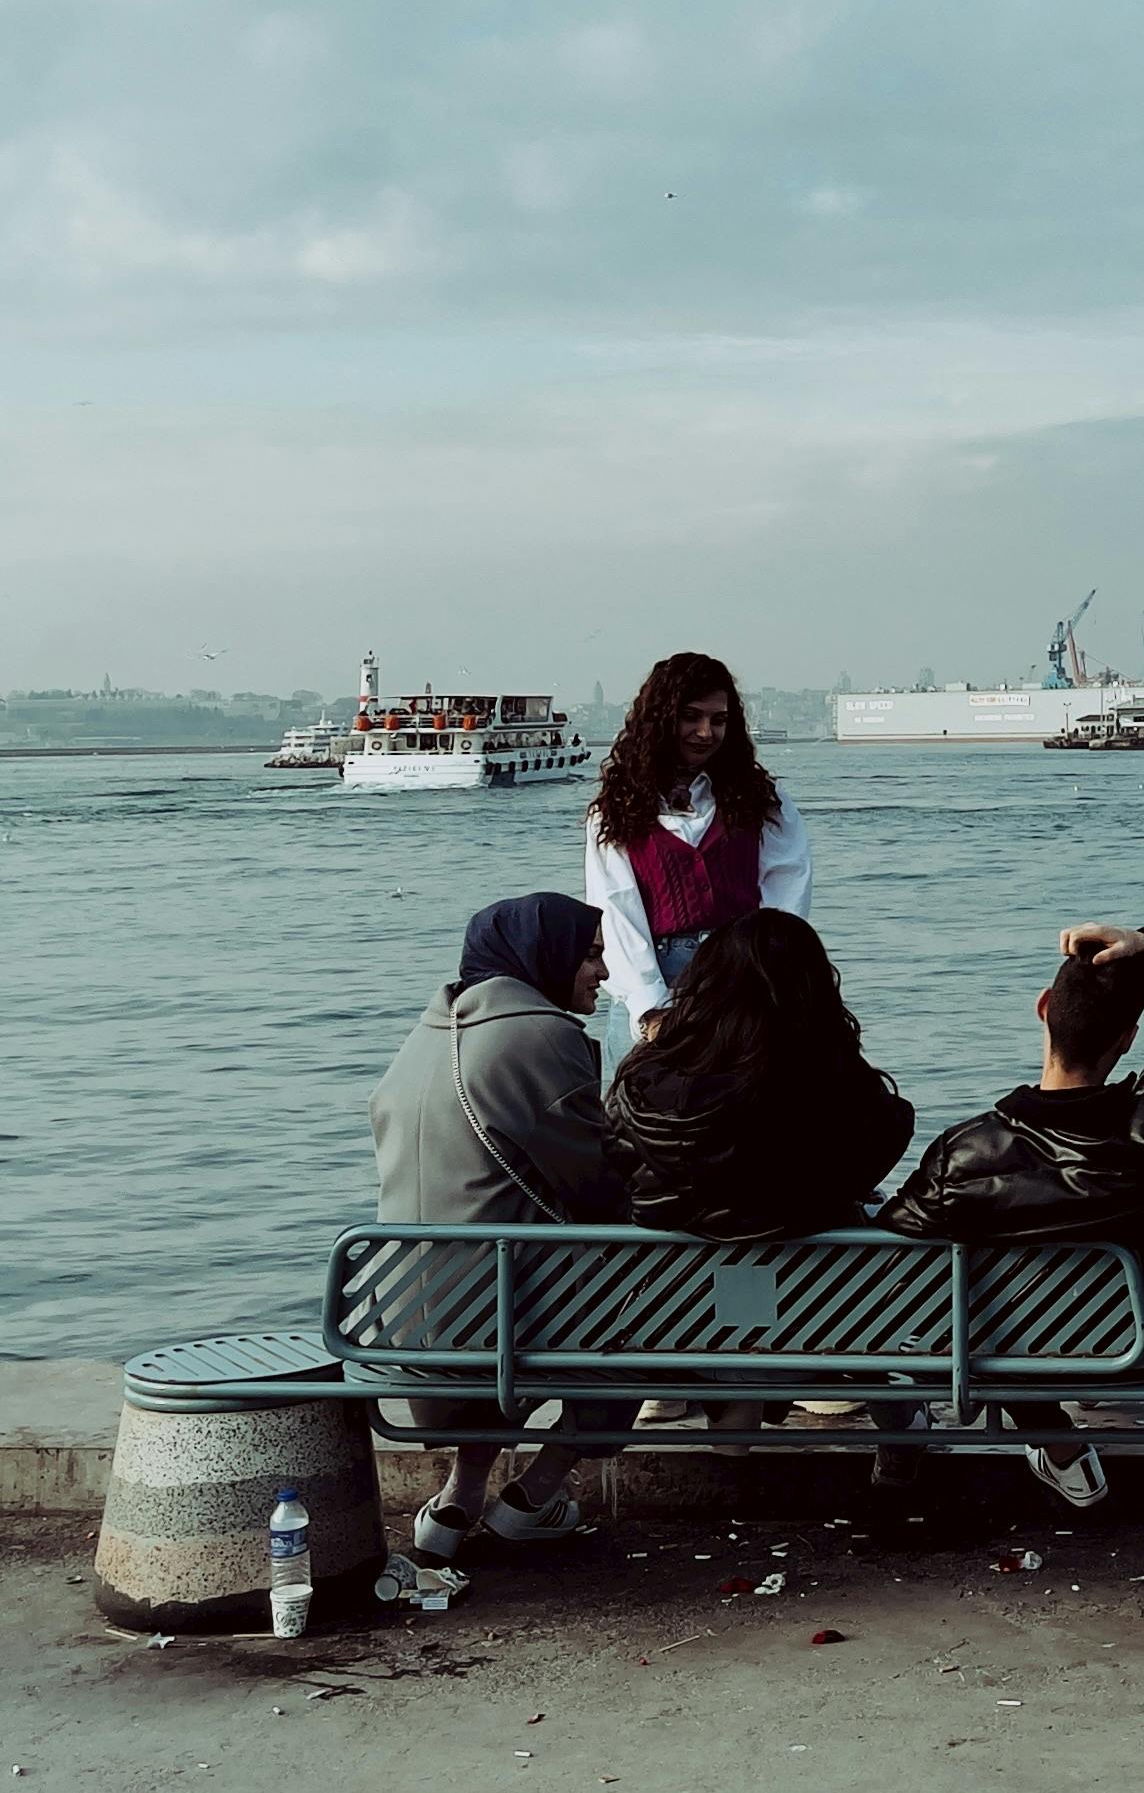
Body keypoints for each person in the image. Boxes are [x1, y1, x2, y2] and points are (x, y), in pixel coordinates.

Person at [879, 922, 1144, 1508]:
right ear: (1129, 1037)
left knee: (957, 1286)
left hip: (1021, 1355)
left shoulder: (964, 1153)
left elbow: (888, 1260)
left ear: (1043, 1009)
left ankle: (1044, 1426)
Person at [368, 893, 626, 1563]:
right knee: (657, 1304)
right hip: (492, 1325)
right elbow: (598, 1186)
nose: (603, 972)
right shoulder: (541, 1037)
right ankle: (533, 1495)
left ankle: (458, 1500)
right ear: (545, 956)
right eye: (591, 954)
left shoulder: (423, 1038)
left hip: (404, 1325)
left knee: (498, 1273)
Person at [604, 908, 915, 1237]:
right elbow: (886, 1134)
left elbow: (617, 1167)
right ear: (814, 990)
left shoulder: (643, 1086)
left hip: (666, 1280)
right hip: (818, 1280)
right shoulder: (839, 1095)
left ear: (706, 985)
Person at [585, 652, 810, 1037]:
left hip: (742, 979)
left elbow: (787, 893)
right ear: (661, 721)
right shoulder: (617, 810)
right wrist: (650, 1010)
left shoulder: (761, 801)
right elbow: (616, 908)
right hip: (654, 980)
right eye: (691, 717)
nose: (706, 732)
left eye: (718, 720)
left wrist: (765, 977)